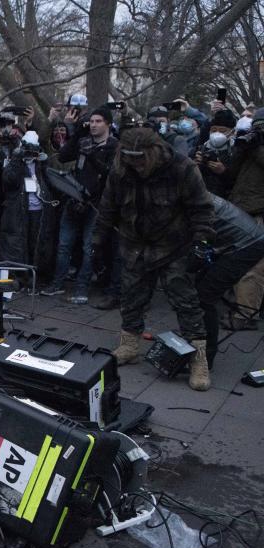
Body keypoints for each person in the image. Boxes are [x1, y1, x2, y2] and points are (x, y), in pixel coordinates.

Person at [93, 126, 215, 392]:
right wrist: (97, 241)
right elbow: (107, 207)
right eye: (129, 156)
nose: (135, 163)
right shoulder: (121, 170)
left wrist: (201, 242)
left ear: (154, 152)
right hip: (135, 244)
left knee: (185, 301)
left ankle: (198, 358)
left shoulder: (182, 168)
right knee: (132, 295)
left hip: (174, 245)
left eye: (140, 157)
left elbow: (201, 209)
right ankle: (129, 344)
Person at [44, 107, 118, 305]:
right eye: (91, 121)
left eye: (98, 122)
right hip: (74, 198)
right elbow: (63, 156)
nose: (93, 125)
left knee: (88, 247)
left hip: (96, 205)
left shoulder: (113, 146)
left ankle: (81, 288)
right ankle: (57, 284)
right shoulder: (84, 141)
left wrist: (93, 156)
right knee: (64, 245)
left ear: (108, 124)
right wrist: (78, 133)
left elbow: (110, 175)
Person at [195, 196, 264, 368]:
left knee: (205, 296)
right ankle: (198, 346)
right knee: (202, 289)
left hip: (249, 244)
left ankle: (204, 359)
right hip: (243, 236)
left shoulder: (189, 193)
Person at [227, 108, 264, 330]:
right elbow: (231, 173)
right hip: (242, 209)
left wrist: (256, 147)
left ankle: (245, 315)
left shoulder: (257, 149)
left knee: (254, 268)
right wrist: (241, 149)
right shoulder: (250, 146)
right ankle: (239, 307)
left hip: (260, 211)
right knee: (236, 263)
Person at [0, 130, 51, 277]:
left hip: (38, 210)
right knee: (17, 244)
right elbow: (9, 180)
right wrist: (17, 158)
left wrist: (43, 161)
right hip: (18, 210)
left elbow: (51, 182)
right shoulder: (15, 161)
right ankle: (19, 276)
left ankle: (35, 276)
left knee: (35, 243)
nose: (30, 155)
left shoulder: (41, 164)